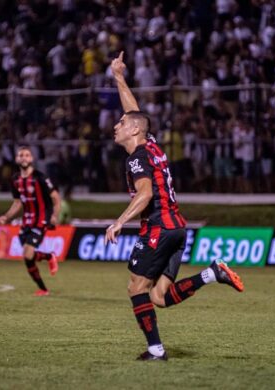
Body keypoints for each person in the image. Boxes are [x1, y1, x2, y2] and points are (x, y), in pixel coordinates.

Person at [104, 52, 244, 362]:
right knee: (159, 297)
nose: (117, 125)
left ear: (134, 131)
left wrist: (118, 222)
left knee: (136, 288)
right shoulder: (150, 143)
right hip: (178, 228)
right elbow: (134, 111)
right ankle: (212, 274)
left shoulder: (138, 157)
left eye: (121, 123)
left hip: (160, 228)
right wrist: (118, 77)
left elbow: (144, 194)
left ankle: (156, 350)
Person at [0, 145, 61, 296]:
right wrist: (6, 216)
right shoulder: (15, 180)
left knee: (27, 253)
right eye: (21, 155)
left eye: (26, 155)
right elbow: (17, 202)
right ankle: (44, 284)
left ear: (31, 159)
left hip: (41, 219)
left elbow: (56, 198)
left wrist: (54, 216)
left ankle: (45, 280)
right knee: (28, 257)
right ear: (16, 159)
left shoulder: (40, 177)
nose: (24, 158)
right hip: (26, 221)